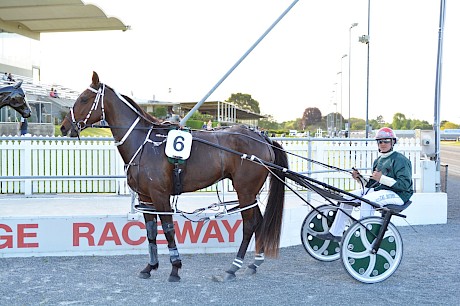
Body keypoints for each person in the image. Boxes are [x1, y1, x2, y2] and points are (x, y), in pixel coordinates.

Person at [316, 127, 414, 242]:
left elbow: (404, 185)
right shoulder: (378, 161)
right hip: (381, 191)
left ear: (393, 142)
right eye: (380, 141)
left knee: (367, 201)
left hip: (399, 195)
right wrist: (359, 178)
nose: (383, 144)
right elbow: (371, 185)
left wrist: (381, 178)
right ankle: (335, 233)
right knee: (347, 197)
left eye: (386, 141)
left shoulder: (400, 160)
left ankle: (365, 235)